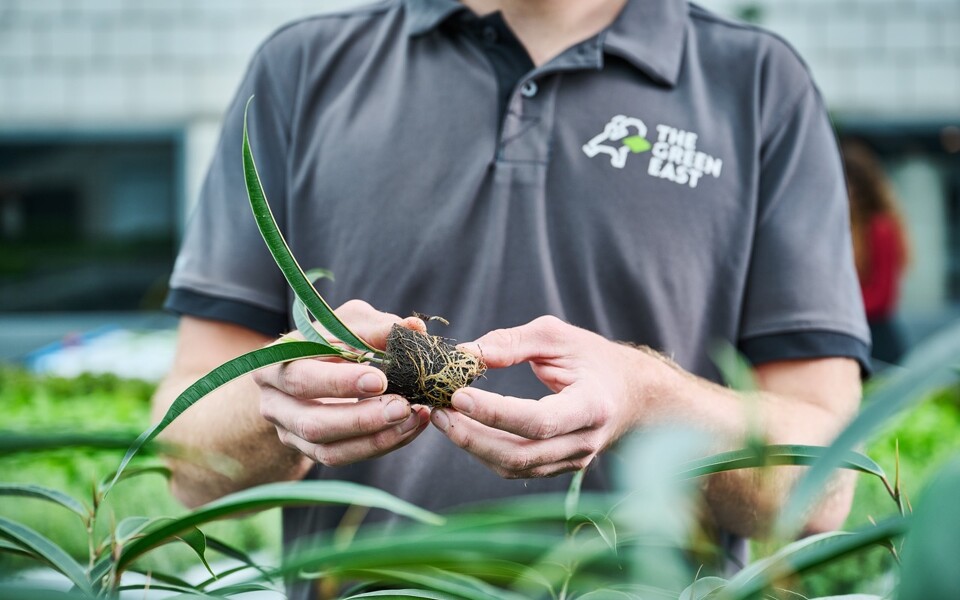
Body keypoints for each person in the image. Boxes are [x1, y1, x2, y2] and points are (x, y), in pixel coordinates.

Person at [154, 0, 870, 597]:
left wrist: (648, 401)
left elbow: (828, 486)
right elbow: (182, 463)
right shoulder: (303, 68)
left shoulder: (758, 83)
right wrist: (274, 398)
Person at [842, 139, 910, 367]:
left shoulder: (881, 227)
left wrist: (835, 308)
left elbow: (882, 297)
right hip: (851, 332)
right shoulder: (841, 226)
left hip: (876, 337)